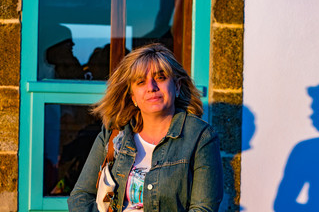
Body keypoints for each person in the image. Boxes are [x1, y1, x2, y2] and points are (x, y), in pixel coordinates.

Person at [67, 43, 223, 211]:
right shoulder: (113, 134)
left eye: (160, 78)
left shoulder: (200, 137)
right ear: (133, 96)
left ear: (177, 87)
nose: (151, 87)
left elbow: (203, 208)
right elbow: (80, 197)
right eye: (141, 82)